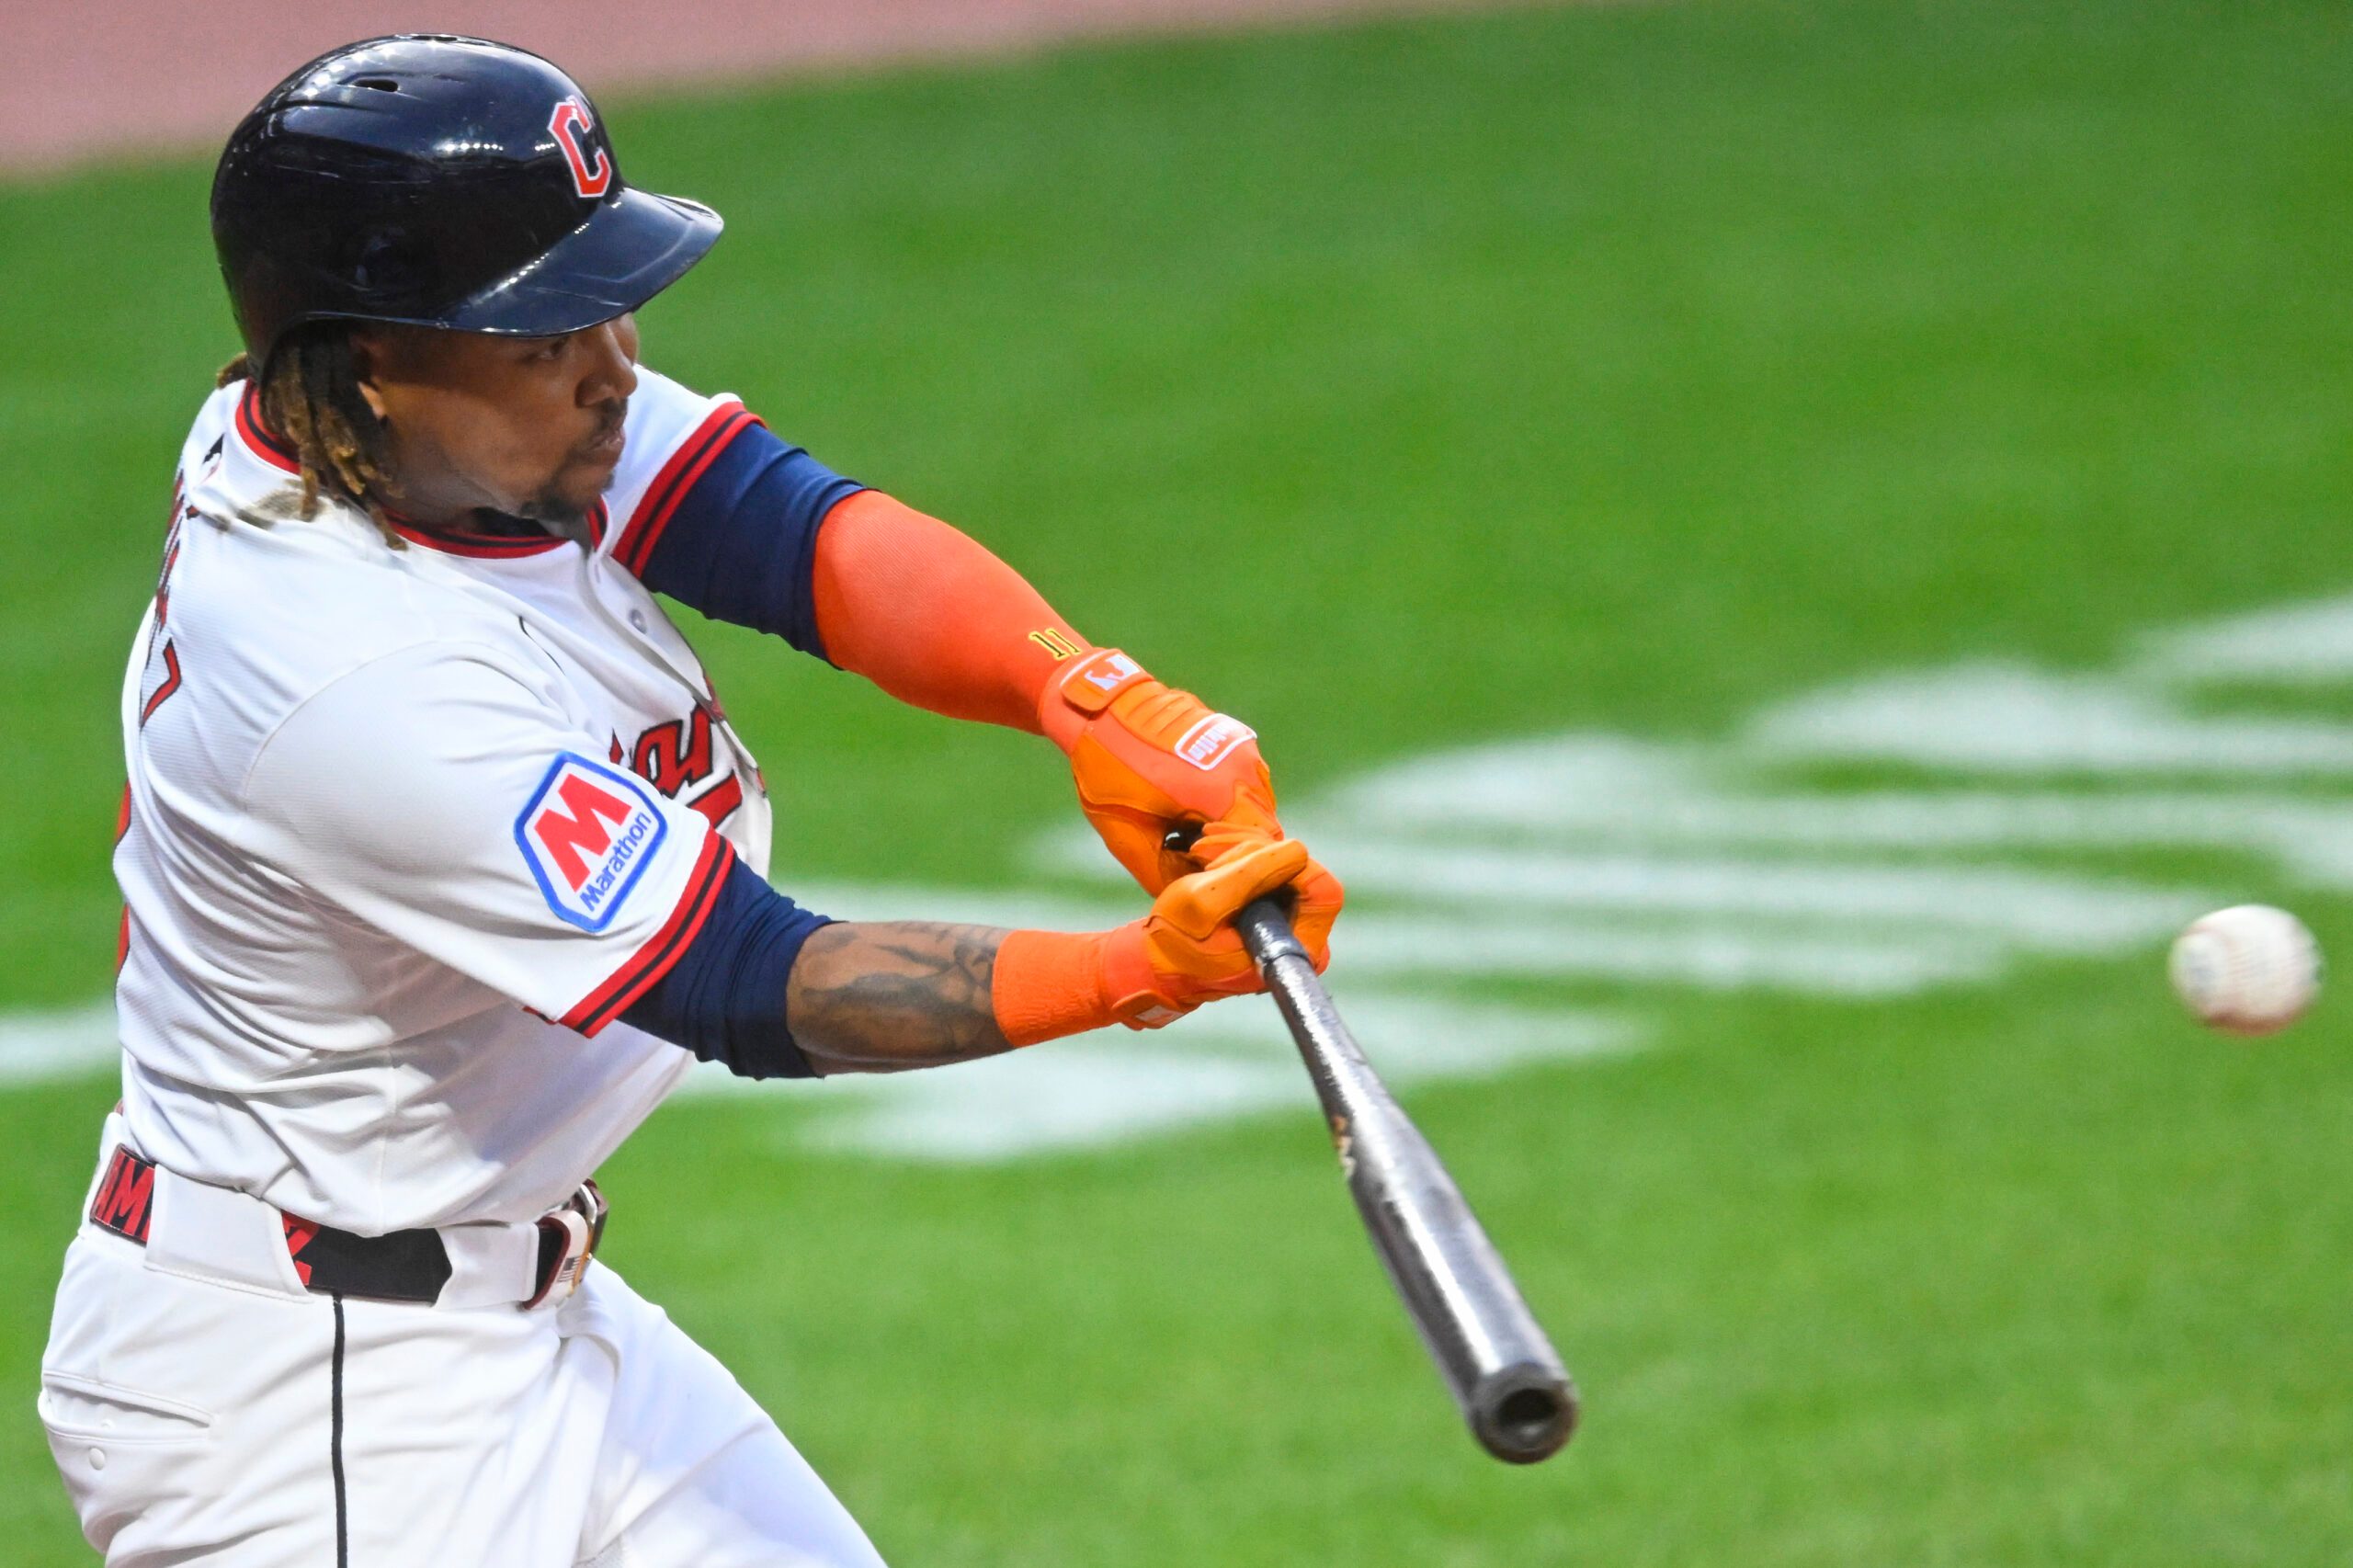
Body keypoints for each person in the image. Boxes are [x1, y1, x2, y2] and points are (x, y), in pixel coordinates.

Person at [40, 34, 1341, 1568]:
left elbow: (782, 527)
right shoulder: (349, 674)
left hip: (512, 1311)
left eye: (605, 309)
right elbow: (761, 985)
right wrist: (1143, 970)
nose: (614, 369)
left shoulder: (442, 440)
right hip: (316, 1405)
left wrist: (1090, 695)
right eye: (544, 338)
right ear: (371, 359)